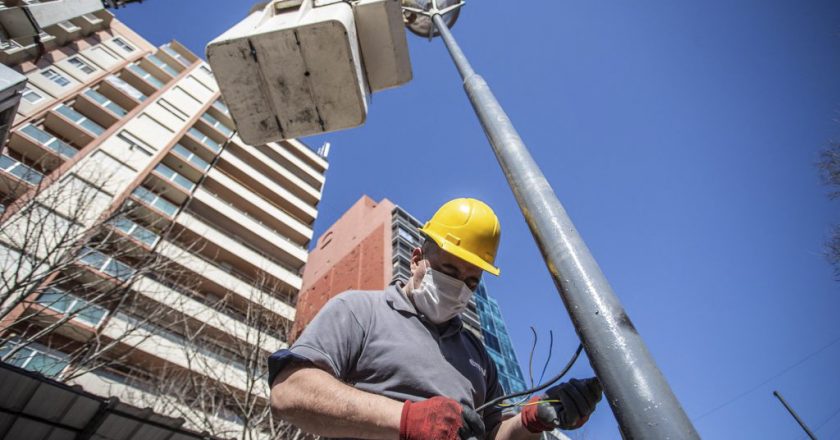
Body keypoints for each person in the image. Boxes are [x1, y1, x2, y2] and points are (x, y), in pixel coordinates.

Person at [268, 198, 603, 439]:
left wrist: (531, 420)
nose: (459, 286)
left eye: (472, 281)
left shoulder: (478, 356)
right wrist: (407, 419)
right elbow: (290, 392)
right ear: (416, 258)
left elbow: (495, 436)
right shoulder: (360, 310)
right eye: (449, 270)